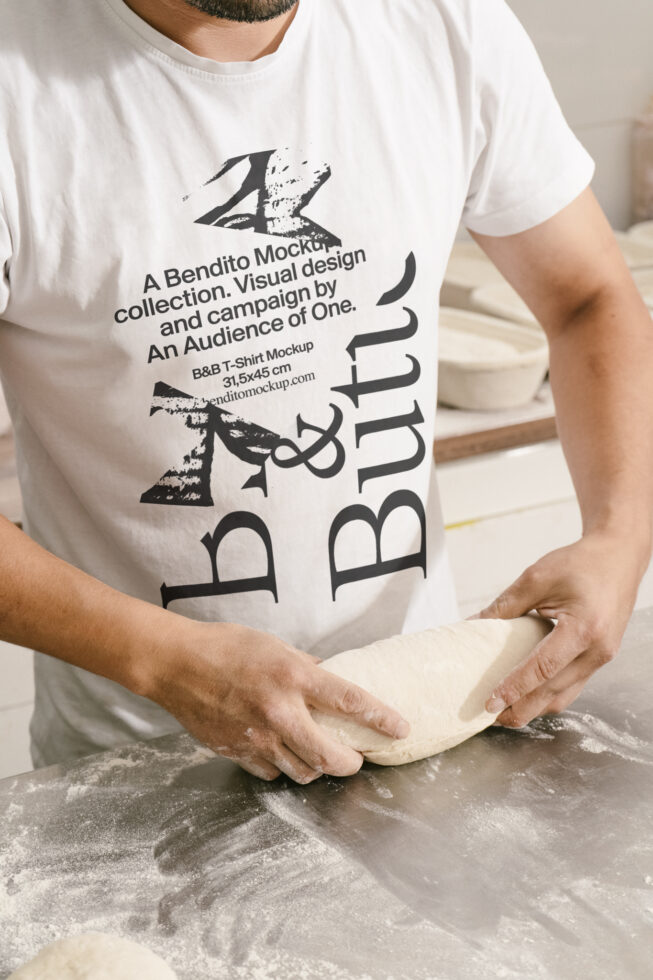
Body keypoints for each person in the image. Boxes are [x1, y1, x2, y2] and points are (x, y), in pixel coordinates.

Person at [0, 0, 651, 784]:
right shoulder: (21, 86)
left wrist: (619, 536)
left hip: (416, 723)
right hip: (146, 768)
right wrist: (165, 661)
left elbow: (586, 296)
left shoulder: (441, 23)